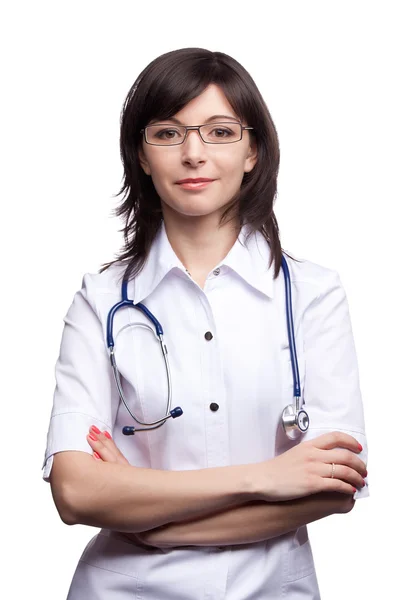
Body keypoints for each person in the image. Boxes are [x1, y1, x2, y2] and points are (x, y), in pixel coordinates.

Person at [42, 47, 369, 599]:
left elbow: (333, 488)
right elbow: (75, 494)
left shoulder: (313, 296)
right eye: (168, 133)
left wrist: (143, 517)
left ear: (253, 151)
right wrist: (263, 478)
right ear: (142, 156)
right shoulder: (100, 300)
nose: (194, 153)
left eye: (219, 132)